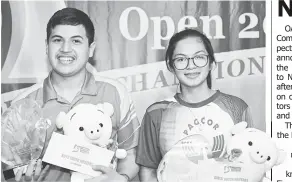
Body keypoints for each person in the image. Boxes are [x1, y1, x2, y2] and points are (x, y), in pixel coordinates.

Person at [9, 7, 140, 182]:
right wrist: (21, 178)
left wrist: (121, 178)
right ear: (47, 47)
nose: (65, 48)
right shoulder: (23, 104)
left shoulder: (115, 92)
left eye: (76, 41)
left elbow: (131, 153)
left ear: (91, 48)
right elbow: (9, 169)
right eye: (57, 40)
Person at [136, 29, 254, 182]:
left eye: (199, 57)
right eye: (181, 59)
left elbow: (252, 164)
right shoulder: (156, 113)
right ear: (171, 66)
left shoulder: (237, 108)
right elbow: (148, 172)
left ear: (211, 63)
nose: (191, 65)